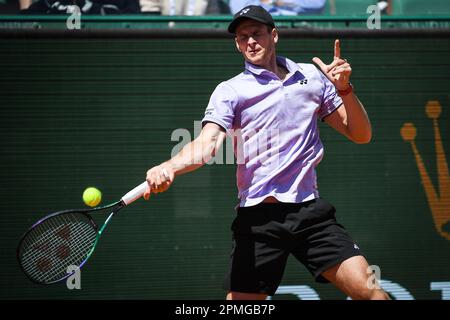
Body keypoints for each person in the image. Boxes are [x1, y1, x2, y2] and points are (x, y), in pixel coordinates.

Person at [143, 5, 390, 300]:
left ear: (274, 35)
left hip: (310, 213)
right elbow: (206, 145)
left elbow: (361, 134)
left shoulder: (311, 76)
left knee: (372, 293)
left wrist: (345, 90)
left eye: (256, 33)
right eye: (242, 37)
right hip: (259, 219)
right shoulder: (230, 91)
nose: (250, 41)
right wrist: (170, 166)